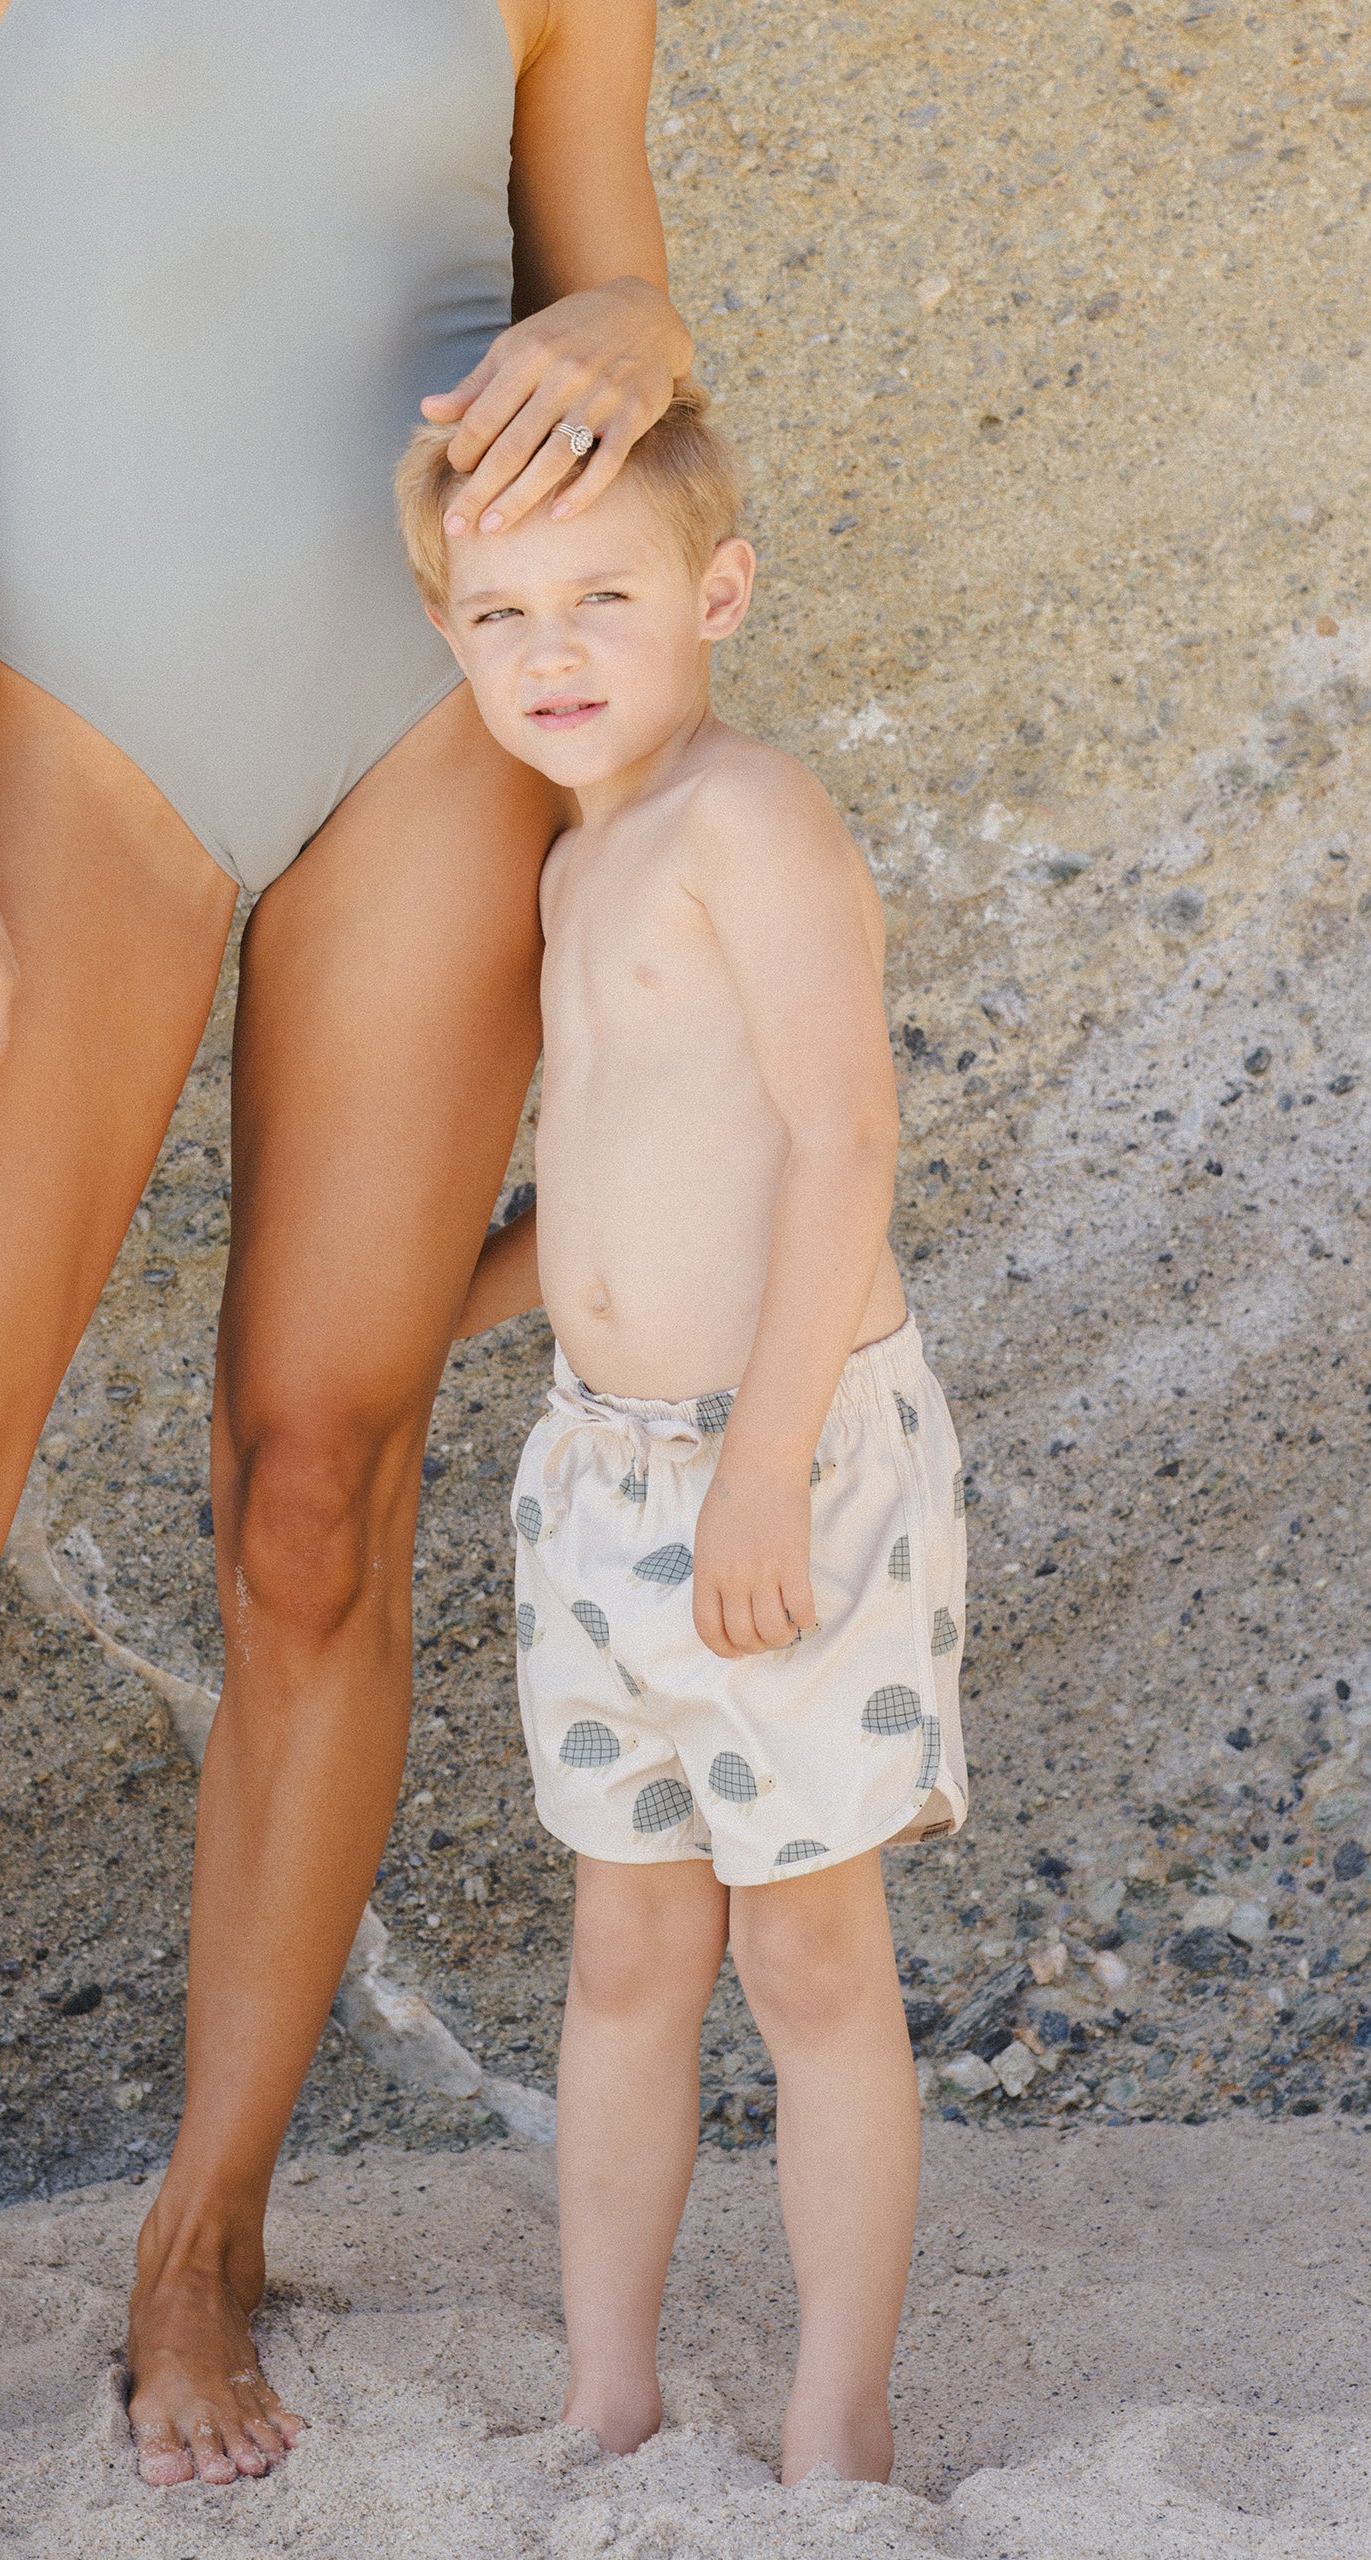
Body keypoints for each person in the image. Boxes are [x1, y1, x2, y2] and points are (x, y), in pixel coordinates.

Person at [0, 0, 692, 2528]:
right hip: (46, 735)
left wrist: (638, 339)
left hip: (424, 727)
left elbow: (626, 299)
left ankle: (203, 2238)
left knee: (323, 1488)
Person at [398, 389, 970, 2485]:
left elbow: (845, 1137)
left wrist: (763, 1463)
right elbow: (600, 1202)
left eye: (604, 597)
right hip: (600, 1471)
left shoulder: (748, 814)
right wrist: (407, 1320)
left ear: (715, 594)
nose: (551, 648)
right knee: (629, 1937)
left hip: (780, 1465)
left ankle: (838, 2412)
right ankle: (608, 2387)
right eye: (499, 610)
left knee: (808, 1945)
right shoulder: (572, 862)